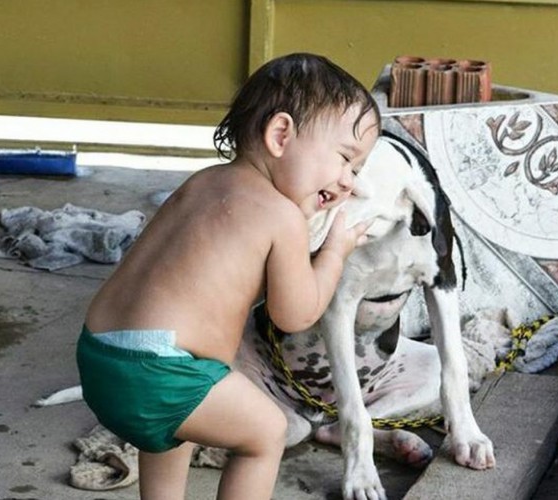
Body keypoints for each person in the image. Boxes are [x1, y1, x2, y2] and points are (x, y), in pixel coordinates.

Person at [76, 52, 381, 500]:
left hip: (99, 356)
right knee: (266, 433)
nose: (349, 182)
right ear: (280, 135)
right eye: (345, 159)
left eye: (356, 171)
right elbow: (294, 314)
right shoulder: (282, 218)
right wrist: (334, 252)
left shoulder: (201, 182)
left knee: (174, 428)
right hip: (164, 372)